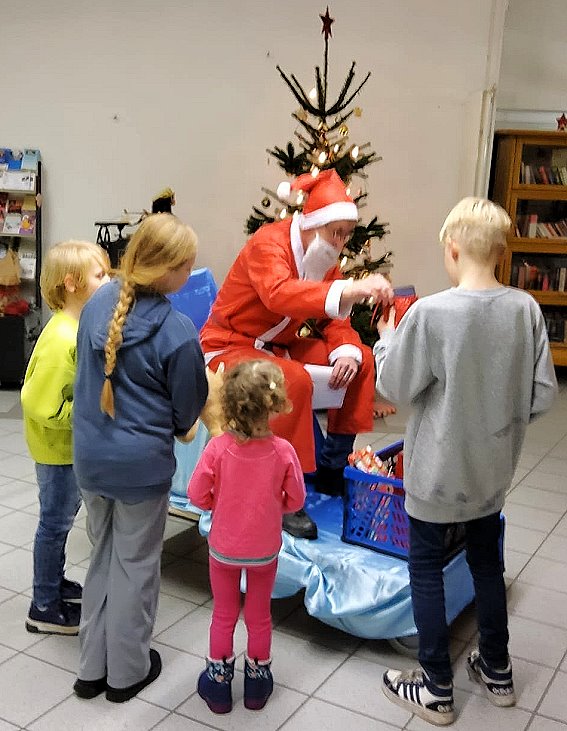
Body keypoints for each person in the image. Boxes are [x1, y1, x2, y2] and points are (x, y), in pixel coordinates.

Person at [375, 197, 558, 726]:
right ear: (501, 251)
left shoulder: (431, 313)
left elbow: (394, 386)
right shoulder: (525, 309)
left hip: (435, 474)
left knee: (425, 567)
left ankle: (436, 686)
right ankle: (497, 670)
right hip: (492, 472)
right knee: (486, 562)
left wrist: (386, 342)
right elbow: (543, 394)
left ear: (452, 249)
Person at [200, 169, 393, 539]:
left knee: (362, 359)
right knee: (293, 380)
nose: (341, 242)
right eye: (336, 232)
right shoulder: (268, 244)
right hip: (229, 344)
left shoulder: (324, 258)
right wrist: (350, 289)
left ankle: (333, 466)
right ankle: (287, 493)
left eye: (347, 234)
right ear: (313, 223)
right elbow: (279, 293)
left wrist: (345, 351)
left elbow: (334, 317)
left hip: (277, 345)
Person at [71, 214, 208, 703]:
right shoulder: (178, 331)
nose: (191, 273)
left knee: (101, 557)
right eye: (187, 265)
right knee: (135, 565)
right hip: (141, 471)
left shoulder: (96, 305)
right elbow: (187, 410)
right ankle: (127, 672)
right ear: (167, 271)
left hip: (91, 459)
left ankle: (91, 668)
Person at [188, 359, 305, 714]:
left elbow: (196, 494)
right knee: (259, 616)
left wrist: (217, 503)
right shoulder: (284, 452)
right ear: (274, 405)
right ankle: (256, 686)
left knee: (223, 615)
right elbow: (296, 500)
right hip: (264, 551)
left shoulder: (218, 448)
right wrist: (273, 506)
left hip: (224, 549)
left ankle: (218, 688)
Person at [21, 240, 110, 635]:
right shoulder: (62, 339)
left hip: (67, 448)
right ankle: (43, 604)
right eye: (100, 275)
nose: (107, 281)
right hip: (57, 451)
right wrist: (90, 414)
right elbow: (40, 404)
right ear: (72, 283)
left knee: (61, 520)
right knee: (54, 525)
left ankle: (54, 584)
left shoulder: (74, 326)